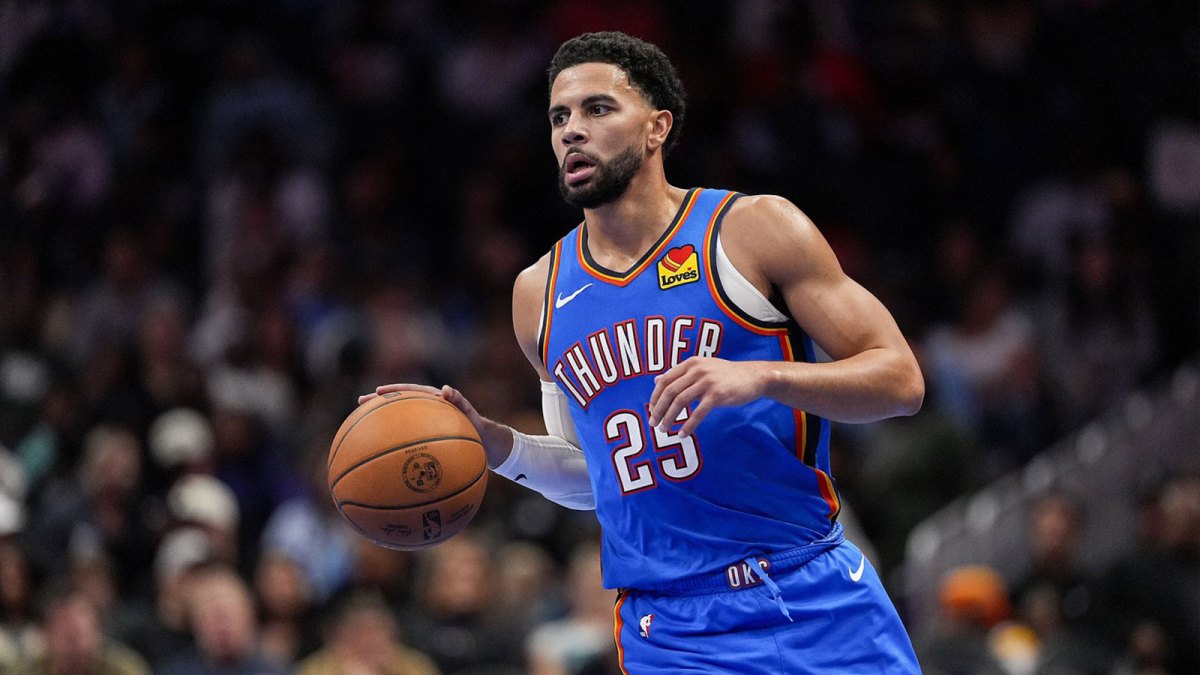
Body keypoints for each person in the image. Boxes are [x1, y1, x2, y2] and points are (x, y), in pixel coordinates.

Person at [363, 31, 924, 672]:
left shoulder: (751, 231)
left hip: (811, 594)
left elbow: (901, 380)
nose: (572, 130)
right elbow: (599, 477)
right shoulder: (538, 294)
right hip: (673, 632)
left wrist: (763, 377)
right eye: (559, 117)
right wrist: (500, 448)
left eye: (597, 109)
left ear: (657, 127)